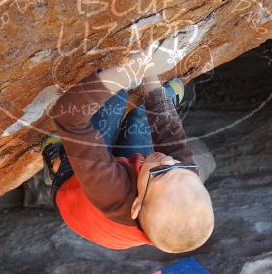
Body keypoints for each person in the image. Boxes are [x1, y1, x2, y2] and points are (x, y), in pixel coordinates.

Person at [44, 35, 214, 252]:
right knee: (143, 115)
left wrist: (132, 69)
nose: (170, 160)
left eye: (162, 172)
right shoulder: (176, 181)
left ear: (136, 206)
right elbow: (169, 136)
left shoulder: (112, 193)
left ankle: (59, 161)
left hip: (78, 188)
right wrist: (150, 70)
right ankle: (160, 98)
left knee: (116, 98)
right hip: (133, 175)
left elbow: (69, 116)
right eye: (184, 168)